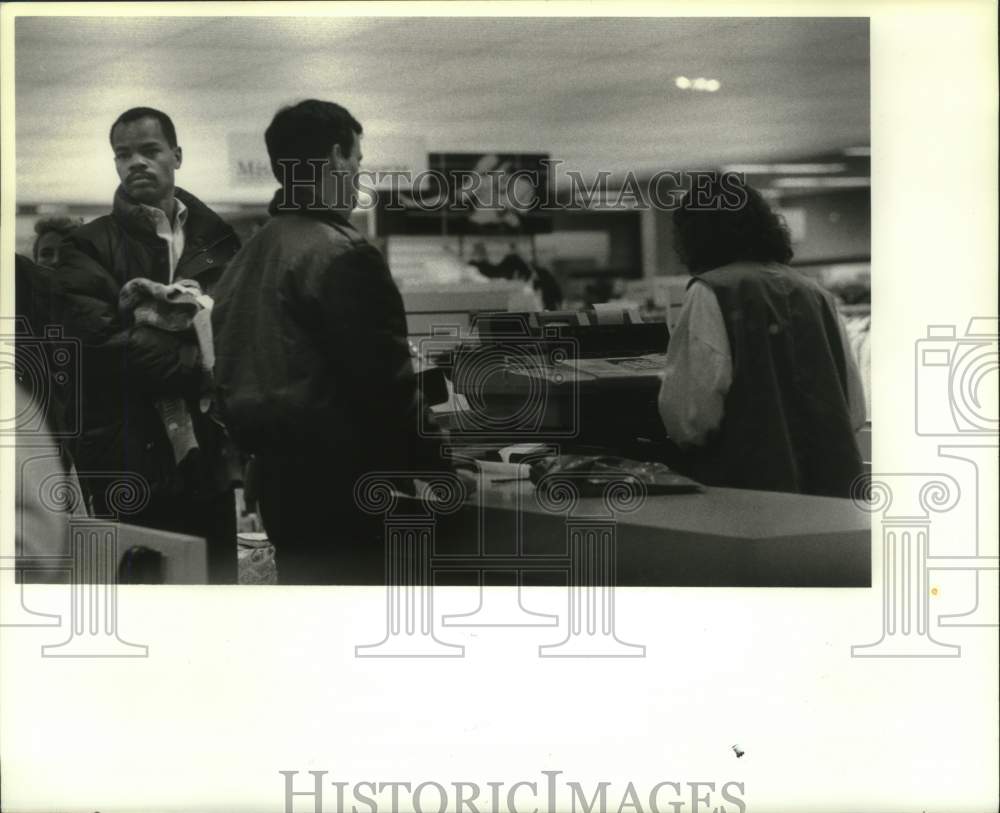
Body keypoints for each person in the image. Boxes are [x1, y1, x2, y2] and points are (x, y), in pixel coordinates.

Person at [211, 99, 456, 584]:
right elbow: (384, 385)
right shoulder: (343, 254)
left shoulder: (248, 257)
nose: (359, 175)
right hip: (348, 489)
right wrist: (440, 465)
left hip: (280, 486)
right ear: (336, 156)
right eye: (358, 161)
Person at [55, 107, 242, 583]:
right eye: (123, 154)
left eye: (149, 150)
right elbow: (99, 348)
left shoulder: (219, 243)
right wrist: (203, 364)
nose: (136, 162)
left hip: (210, 464)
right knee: (144, 613)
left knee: (215, 598)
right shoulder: (86, 246)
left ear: (176, 156)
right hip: (129, 463)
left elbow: (237, 329)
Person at [657, 178, 866, 498]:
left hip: (748, 489)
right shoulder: (816, 293)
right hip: (830, 490)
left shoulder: (712, 290)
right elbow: (852, 407)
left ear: (694, 236)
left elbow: (692, 414)